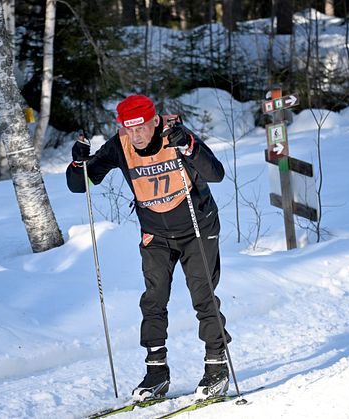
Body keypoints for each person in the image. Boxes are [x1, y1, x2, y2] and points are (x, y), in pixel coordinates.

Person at [66, 95, 232, 401]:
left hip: (197, 226)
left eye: (141, 127)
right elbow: (82, 184)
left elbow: (216, 174)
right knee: (153, 300)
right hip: (155, 232)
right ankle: (156, 371)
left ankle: (216, 366)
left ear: (154, 121)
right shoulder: (121, 145)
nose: (137, 135)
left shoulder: (176, 135)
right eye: (130, 129)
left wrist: (189, 147)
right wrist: (78, 162)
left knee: (203, 294)